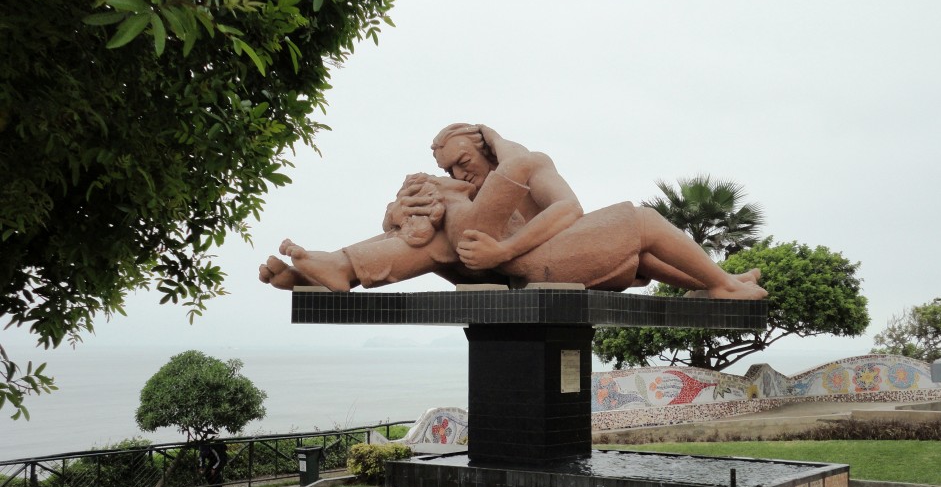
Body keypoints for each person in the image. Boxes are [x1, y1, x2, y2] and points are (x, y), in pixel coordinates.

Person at [260, 130, 766, 298]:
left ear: (486, 147)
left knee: (641, 223)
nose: (464, 171)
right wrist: (398, 209)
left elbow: (570, 210)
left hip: (536, 258)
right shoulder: (467, 196)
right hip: (512, 269)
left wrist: (503, 248)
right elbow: (417, 231)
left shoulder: (526, 167)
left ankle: (716, 282)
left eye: (466, 161)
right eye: (451, 166)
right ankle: (332, 270)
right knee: (438, 233)